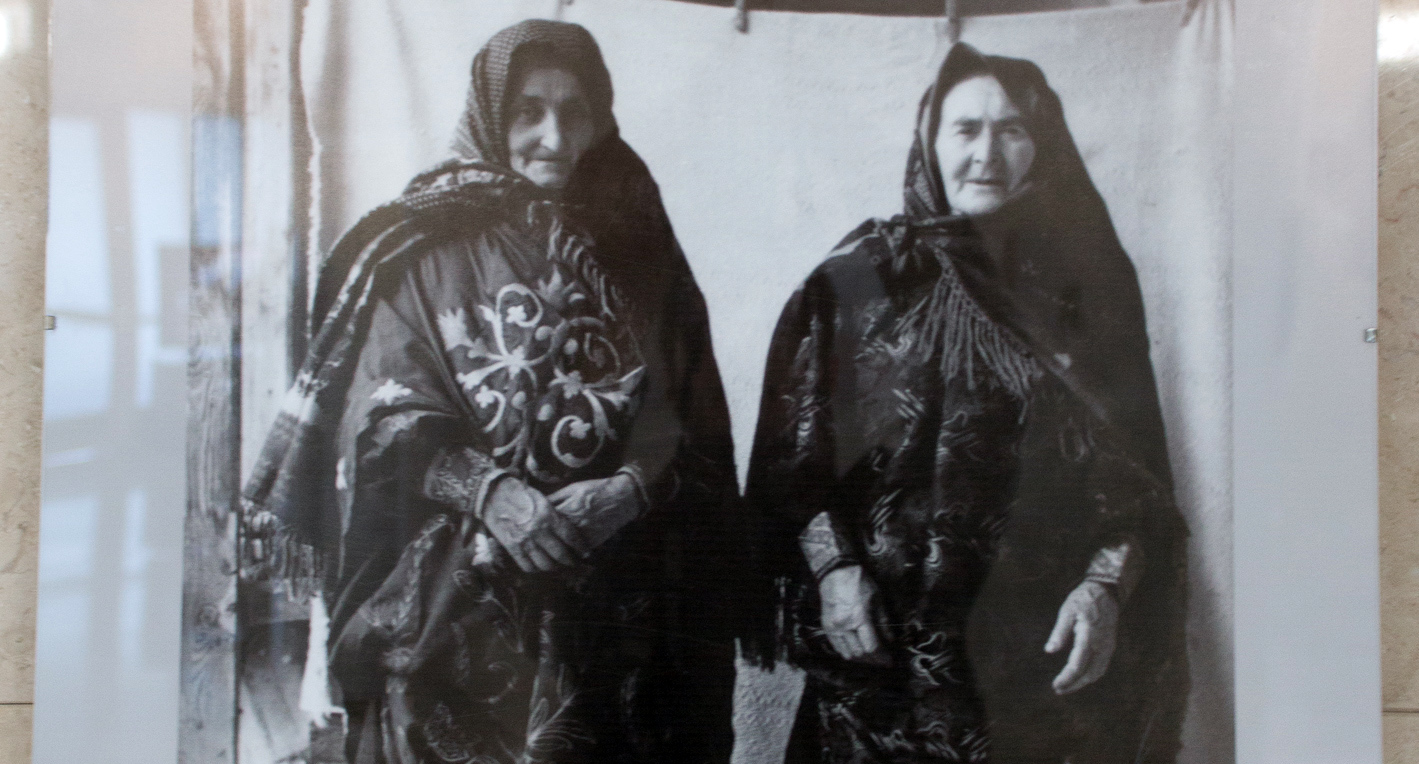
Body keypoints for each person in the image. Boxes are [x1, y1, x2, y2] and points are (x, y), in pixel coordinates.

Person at [240, 20, 744, 764]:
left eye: (574, 112)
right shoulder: (423, 242)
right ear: (489, 114)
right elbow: (382, 412)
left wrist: (629, 491)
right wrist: (492, 492)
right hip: (458, 615)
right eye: (528, 112)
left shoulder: (641, 244)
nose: (554, 137)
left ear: (601, 119)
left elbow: (690, 414)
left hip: (618, 621)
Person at [746, 43, 1189, 764]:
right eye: (966, 129)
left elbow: (1135, 484)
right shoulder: (860, 278)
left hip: (1033, 675)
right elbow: (794, 465)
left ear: (1041, 145)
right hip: (875, 666)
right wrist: (834, 575)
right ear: (930, 141)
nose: (987, 153)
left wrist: (1103, 590)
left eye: (1011, 130)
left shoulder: (1083, 286)